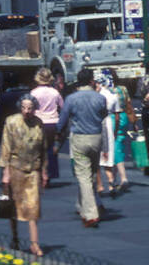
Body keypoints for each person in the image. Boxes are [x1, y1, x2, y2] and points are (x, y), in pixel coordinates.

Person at [58, 68, 108, 227]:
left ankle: (91, 213)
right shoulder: (100, 98)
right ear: (92, 81)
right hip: (96, 136)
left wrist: (57, 133)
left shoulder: (71, 98)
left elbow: (63, 119)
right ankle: (81, 205)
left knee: (83, 175)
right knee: (92, 172)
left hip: (79, 136)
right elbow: (104, 114)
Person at [0, 95, 46, 258]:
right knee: (13, 207)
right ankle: (15, 237)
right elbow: (5, 147)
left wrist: (44, 171)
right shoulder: (11, 121)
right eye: (24, 107)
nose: (27, 111)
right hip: (15, 168)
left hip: (33, 169)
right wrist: (5, 173)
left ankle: (35, 244)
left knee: (33, 207)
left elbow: (43, 149)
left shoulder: (39, 123)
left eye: (30, 108)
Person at [29, 68, 64, 183]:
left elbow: (30, 108)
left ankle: (39, 173)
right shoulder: (55, 92)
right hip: (53, 122)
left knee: (38, 149)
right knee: (50, 148)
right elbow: (62, 107)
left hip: (38, 122)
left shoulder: (33, 93)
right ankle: (50, 173)